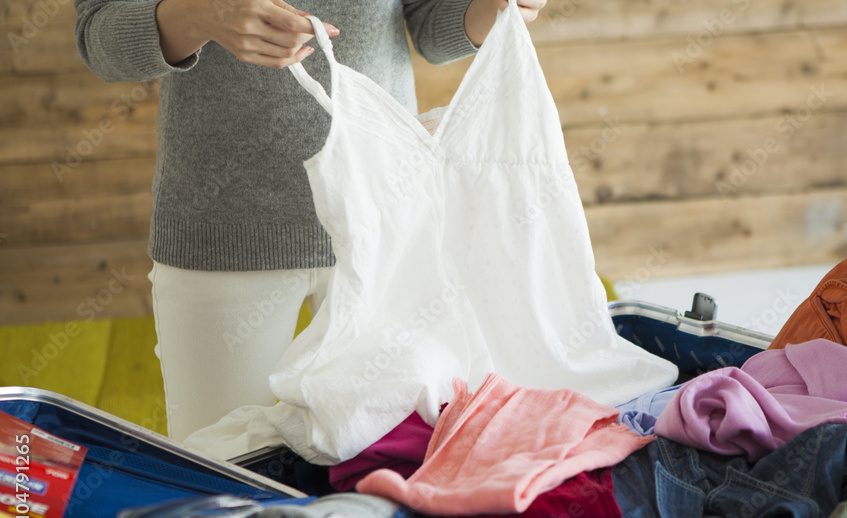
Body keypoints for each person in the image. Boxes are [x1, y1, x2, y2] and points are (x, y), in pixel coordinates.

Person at [74, 0, 546, 442]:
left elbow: (428, 25)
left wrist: (495, 6)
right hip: (225, 225)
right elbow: (99, 35)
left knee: (382, 474)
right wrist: (202, 14)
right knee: (221, 471)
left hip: (383, 220)